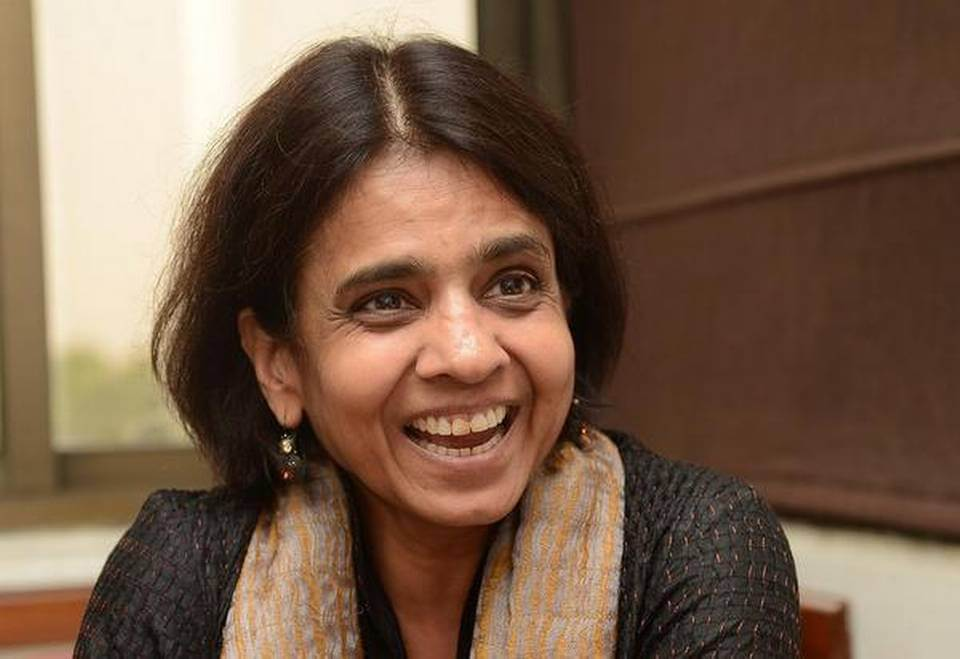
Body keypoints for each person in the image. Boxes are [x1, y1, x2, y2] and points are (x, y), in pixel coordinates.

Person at [75, 37, 800, 658]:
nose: (468, 352)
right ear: (279, 364)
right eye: (386, 301)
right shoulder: (187, 568)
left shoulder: (696, 542)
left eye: (513, 283)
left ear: (568, 307)